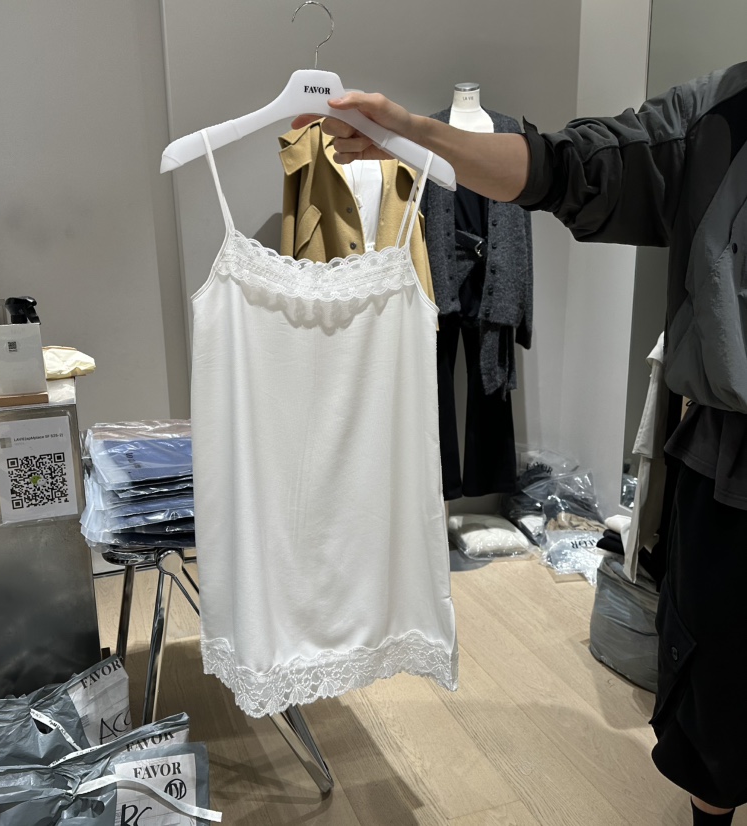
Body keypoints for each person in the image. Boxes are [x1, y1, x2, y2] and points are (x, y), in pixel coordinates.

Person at [293, 60, 747, 825]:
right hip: (729, 468)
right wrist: (417, 136)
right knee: (718, 703)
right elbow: (566, 166)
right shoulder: (723, 113)